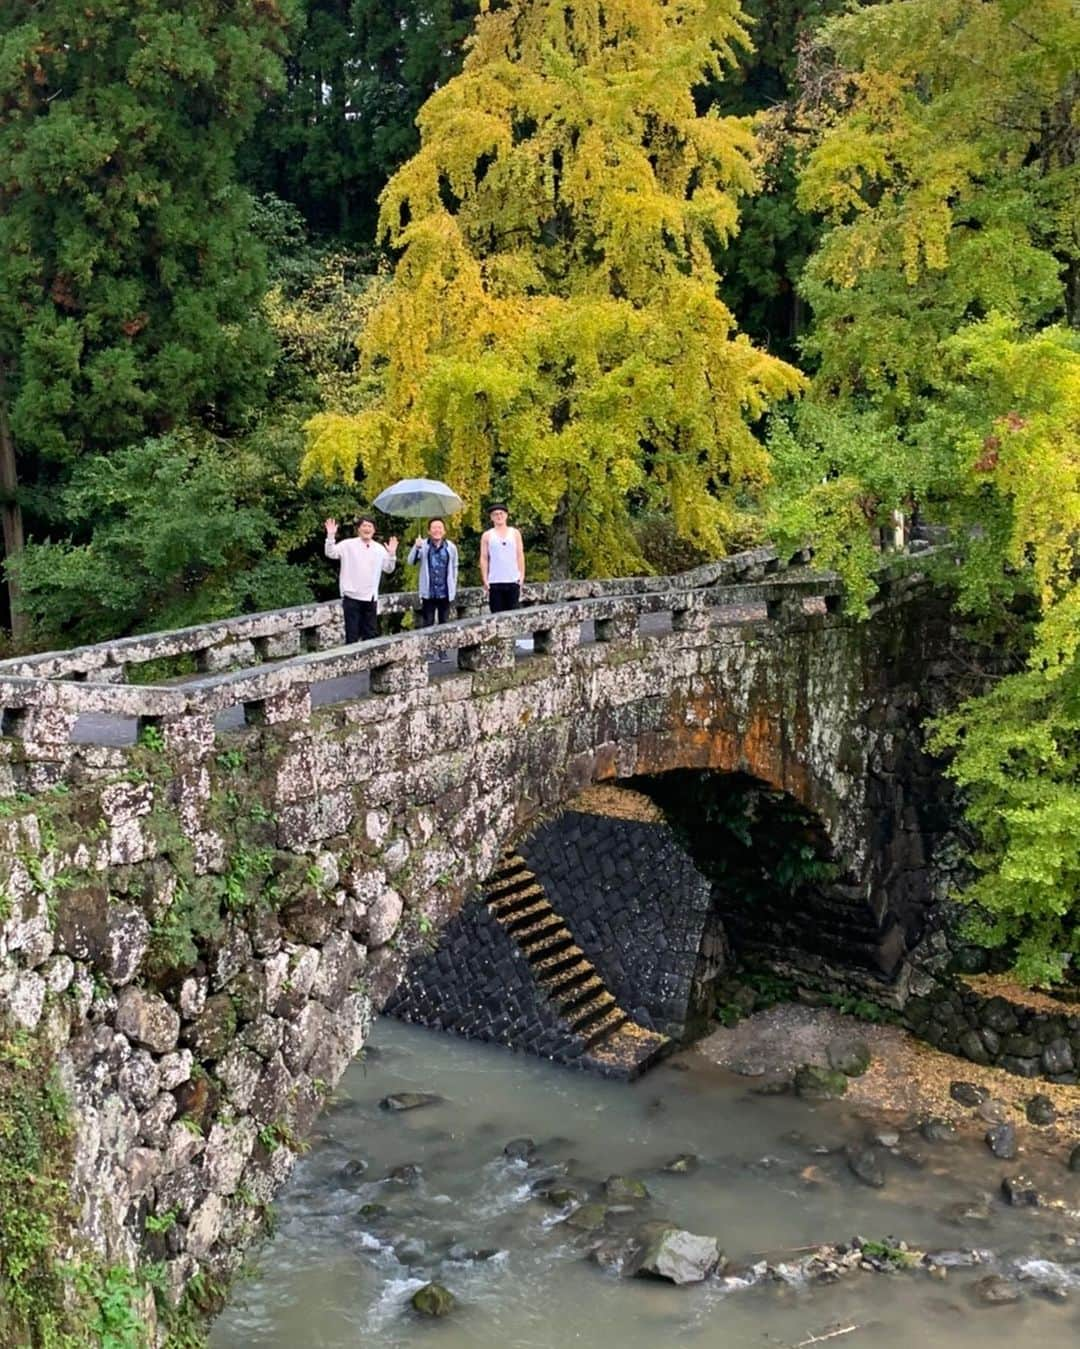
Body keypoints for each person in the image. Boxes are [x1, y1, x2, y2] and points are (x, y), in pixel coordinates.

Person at [324, 514, 398, 643]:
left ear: (374, 530)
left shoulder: (379, 549)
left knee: (370, 635)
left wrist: (392, 555)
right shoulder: (348, 545)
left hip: (370, 598)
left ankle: (371, 663)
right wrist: (330, 536)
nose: (367, 529)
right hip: (351, 596)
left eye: (370, 526)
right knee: (352, 635)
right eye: (364, 526)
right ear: (358, 529)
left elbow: (388, 568)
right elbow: (331, 553)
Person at [407, 518, 458, 627]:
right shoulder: (423, 545)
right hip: (429, 593)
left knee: (444, 624)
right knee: (428, 624)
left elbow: (454, 567)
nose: (437, 530)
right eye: (434, 528)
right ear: (429, 531)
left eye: (439, 528)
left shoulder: (451, 547)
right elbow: (411, 561)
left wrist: (453, 585)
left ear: (444, 531)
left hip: (445, 592)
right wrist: (416, 547)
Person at [480, 503, 524, 613]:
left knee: (513, 615)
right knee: (496, 614)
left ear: (506, 515)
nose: (499, 516)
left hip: (512, 580)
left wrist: (522, 575)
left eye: (501, 513)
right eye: (495, 514)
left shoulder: (515, 533)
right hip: (495, 581)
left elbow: (520, 555)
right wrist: (485, 579)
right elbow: (484, 558)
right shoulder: (487, 535)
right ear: (491, 517)